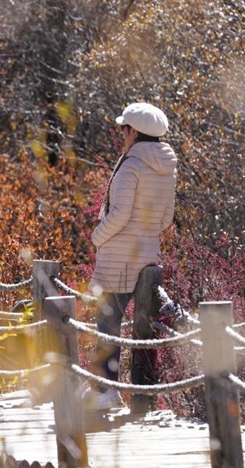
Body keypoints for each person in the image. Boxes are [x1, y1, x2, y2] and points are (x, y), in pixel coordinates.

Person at [85, 102, 178, 410]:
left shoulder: (131, 164)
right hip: (148, 252)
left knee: (108, 323)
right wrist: (145, 230)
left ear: (133, 131)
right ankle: (143, 398)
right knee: (144, 327)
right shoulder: (167, 167)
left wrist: (97, 237)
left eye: (123, 128)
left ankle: (106, 392)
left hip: (118, 254)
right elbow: (166, 218)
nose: (121, 133)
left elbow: (120, 213)